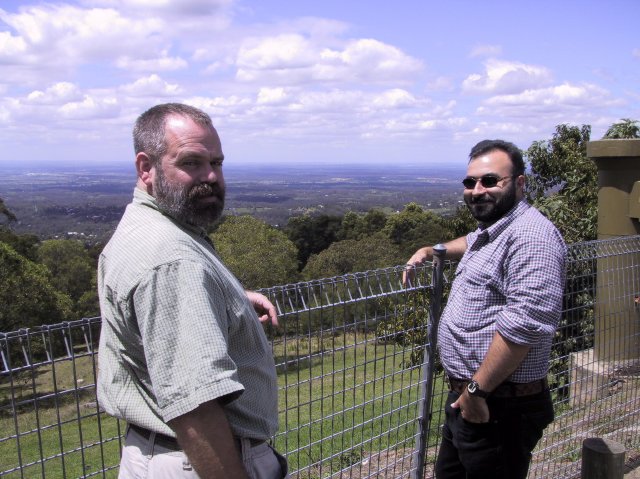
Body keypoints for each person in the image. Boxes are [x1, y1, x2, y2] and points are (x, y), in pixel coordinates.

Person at [97, 103, 288, 479]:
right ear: (145, 167)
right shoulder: (172, 261)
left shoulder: (146, 226)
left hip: (157, 453)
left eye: (216, 163)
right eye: (191, 163)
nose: (211, 176)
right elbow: (195, 406)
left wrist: (227, 300)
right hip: (201, 461)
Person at [404, 139, 566, 479]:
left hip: (498, 405)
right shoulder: (495, 230)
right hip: (473, 400)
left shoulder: (531, 237)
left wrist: (477, 392)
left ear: (520, 184)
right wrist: (432, 250)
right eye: (470, 182)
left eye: (490, 181)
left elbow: (525, 326)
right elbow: (470, 242)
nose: (477, 190)